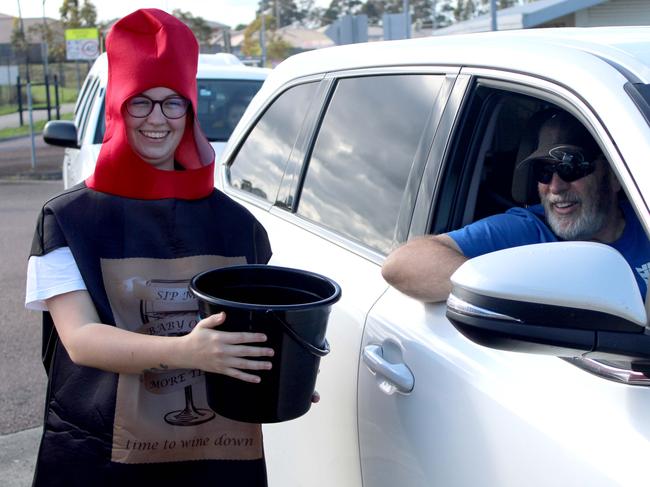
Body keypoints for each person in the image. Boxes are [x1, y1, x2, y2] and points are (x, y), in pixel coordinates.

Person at [25, 9, 273, 486]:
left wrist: (281, 371)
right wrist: (188, 351)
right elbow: (80, 339)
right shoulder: (68, 220)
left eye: (172, 103)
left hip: (215, 457)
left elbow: (255, 327)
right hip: (102, 458)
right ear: (118, 107)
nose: (157, 119)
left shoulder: (240, 227)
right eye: (141, 102)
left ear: (189, 111)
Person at [382, 110, 650, 303]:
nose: (555, 187)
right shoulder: (526, 232)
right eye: (543, 172)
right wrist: (523, 292)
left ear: (614, 176)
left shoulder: (644, 217)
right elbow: (402, 264)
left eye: (570, 168)